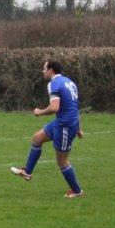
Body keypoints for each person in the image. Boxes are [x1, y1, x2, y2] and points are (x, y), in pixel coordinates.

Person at [10, 59, 85, 198]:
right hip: (63, 122)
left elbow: (54, 107)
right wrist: (79, 129)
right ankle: (27, 172)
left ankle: (77, 191)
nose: (42, 71)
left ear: (51, 70)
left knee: (62, 161)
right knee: (37, 138)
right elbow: (75, 107)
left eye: (44, 68)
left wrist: (40, 112)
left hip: (65, 126)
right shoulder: (70, 82)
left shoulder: (53, 83)